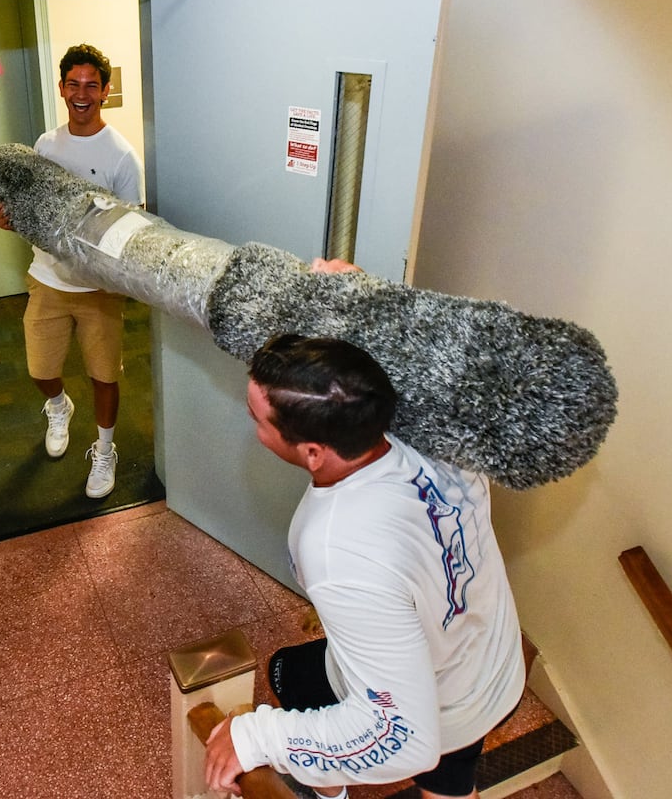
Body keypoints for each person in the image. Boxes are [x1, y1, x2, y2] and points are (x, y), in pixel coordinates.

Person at [204, 329, 526, 799]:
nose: (252, 426)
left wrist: (255, 738)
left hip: (444, 707)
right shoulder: (444, 434)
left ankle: (328, 792)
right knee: (451, 782)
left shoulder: (335, 548)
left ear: (313, 451)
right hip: (492, 670)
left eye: (258, 419)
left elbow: (404, 740)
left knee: (288, 676)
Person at [0, 43, 143, 500]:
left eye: (91, 86)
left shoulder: (121, 155)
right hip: (48, 279)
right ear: (61, 88)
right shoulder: (45, 144)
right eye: (73, 84)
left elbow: (130, 226)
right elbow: (29, 205)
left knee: (104, 376)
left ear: (105, 91)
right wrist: (6, 216)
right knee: (40, 370)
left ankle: (104, 448)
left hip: (98, 289)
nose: (82, 93)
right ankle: (59, 405)